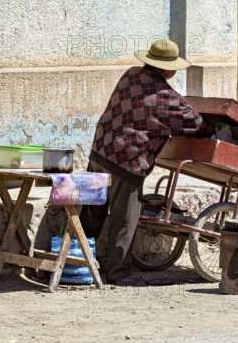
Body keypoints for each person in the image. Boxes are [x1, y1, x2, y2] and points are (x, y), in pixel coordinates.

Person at [80, 39, 213, 286]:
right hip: (126, 162)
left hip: (100, 152)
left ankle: (76, 263)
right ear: (167, 69)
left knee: (92, 213)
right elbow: (195, 123)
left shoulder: (130, 75)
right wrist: (211, 128)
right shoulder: (165, 96)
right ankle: (117, 272)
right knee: (125, 219)